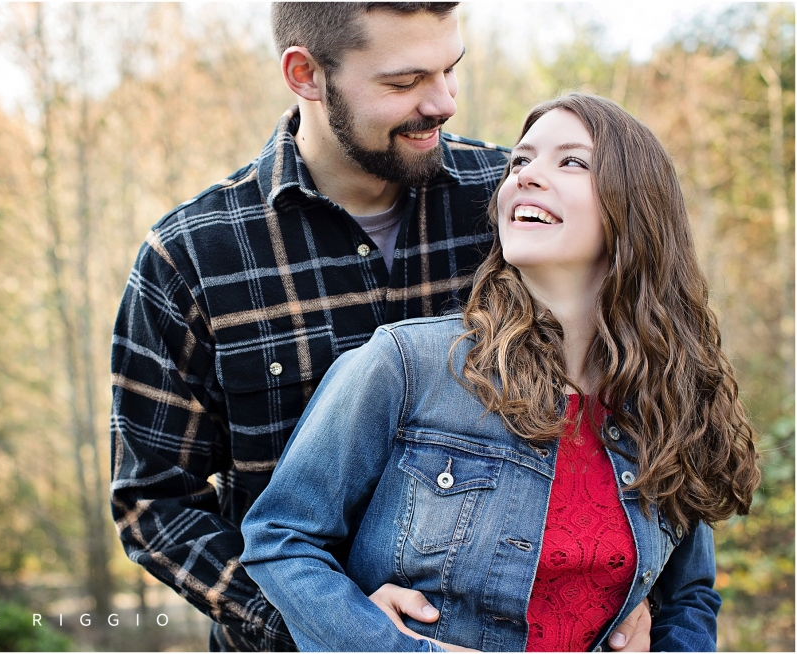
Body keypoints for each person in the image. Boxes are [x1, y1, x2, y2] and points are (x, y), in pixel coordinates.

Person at [111, 2, 650, 650]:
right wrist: (334, 626)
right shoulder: (192, 259)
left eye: (451, 69)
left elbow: (631, 393)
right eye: (404, 82)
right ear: (306, 74)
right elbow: (155, 505)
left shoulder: (513, 206)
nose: (445, 101)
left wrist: (633, 597)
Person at [240, 93, 762, 652]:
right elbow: (281, 539)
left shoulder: (670, 398)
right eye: (521, 161)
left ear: (636, 209)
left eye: (572, 161)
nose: (527, 176)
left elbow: (690, 597)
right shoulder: (408, 366)